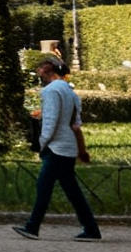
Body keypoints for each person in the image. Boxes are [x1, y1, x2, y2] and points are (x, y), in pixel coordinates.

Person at [13, 53, 101, 241]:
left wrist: (42, 143)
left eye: (40, 68)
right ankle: (91, 229)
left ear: (47, 69)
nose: (37, 71)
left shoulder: (51, 91)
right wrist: (80, 149)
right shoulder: (69, 91)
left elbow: (51, 121)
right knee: (71, 191)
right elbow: (75, 123)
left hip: (56, 147)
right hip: (67, 146)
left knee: (44, 186)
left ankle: (33, 226)